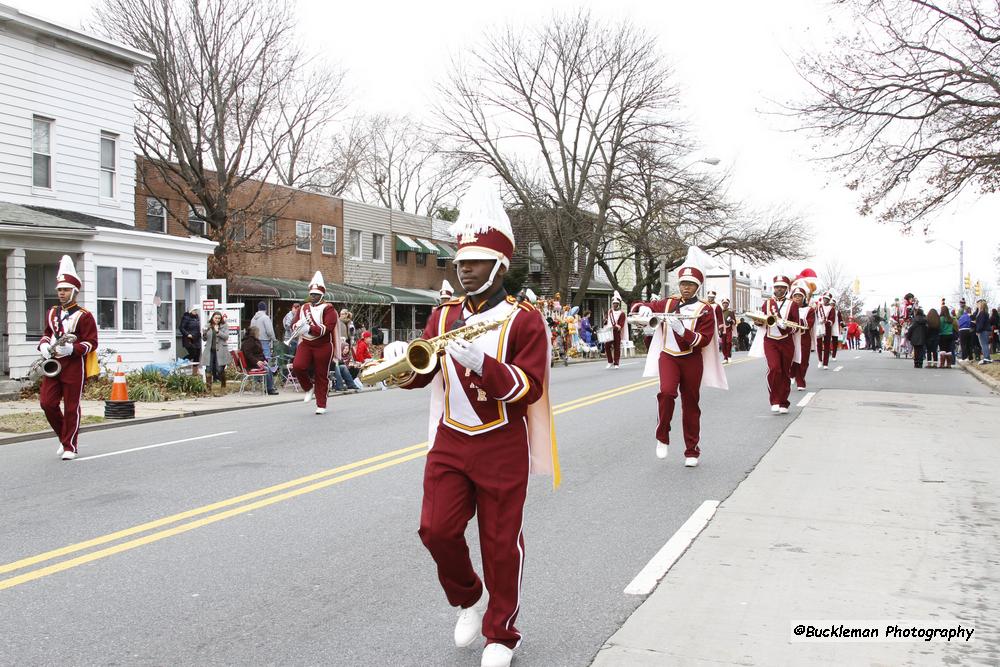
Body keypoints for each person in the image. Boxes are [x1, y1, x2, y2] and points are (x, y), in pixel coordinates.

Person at [392, 178, 558, 667]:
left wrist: (484, 364)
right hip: (451, 439)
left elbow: (530, 389)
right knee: (435, 530)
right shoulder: (442, 317)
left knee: (501, 544)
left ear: (500, 266)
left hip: (501, 443)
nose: (464, 270)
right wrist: (400, 360)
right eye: (460, 262)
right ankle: (468, 598)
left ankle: (503, 634)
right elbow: (419, 378)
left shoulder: (524, 321)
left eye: (475, 262)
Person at [629, 248, 727, 466]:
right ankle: (662, 436)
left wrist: (683, 331)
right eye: (683, 283)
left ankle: (692, 450)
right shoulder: (669, 303)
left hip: (691, 358)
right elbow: (640, 306)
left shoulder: (705, 310)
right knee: (666, 393)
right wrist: (642, 309)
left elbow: (704, 339)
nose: (685, 287)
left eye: (690, 284)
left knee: (691, 404)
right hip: (669, 356)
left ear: (697, 287)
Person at [37, 255, 98, 461]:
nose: (61, 294)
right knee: (47, 403)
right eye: (59, 290)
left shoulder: (84, 315)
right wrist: (44, 344)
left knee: (71, 406)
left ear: (74, 292)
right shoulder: (52, 312)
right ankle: (64, 437)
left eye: (65, 290)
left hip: (73, 365)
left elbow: (92, 343)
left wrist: (72, 349)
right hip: (54, 363)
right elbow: (47, 332)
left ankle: (70, 445)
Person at [291, 272, 340, 415]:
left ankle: (321, 404)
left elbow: (327, 328)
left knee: (321, 375)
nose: (313, 296)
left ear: (322, 295)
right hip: (306, 342)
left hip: (323, 345)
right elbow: (293, 324)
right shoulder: (303, 308)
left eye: (316, 294)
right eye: (311, 294)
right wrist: (297, 327)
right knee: (298, 366)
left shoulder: (329, 309)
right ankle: (308, 387)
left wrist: (309, 328)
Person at [750, 275, 800, 413]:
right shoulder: (767, 303)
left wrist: (786, 326)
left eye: (782, 287)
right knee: (774, 368)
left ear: (786, 289)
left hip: (786, 341)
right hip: (770, 340)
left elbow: (796, 326)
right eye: (777, 287)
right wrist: (758, 321)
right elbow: (761, 322)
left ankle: (784, 402)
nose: (779, 289)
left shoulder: (793, 305)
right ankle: (774, 400)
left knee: (785, 372)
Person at [789, 282, 816, 391]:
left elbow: (809, 324)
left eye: (799, 296)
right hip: (791, 337)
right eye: (795, 296)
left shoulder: (810, 310)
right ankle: (792, 375)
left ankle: (801, 380)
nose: (797, 298)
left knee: (803, 360)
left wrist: (796, 320)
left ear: (803, 298)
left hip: (804, 338)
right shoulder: (788, 308)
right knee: (792, 359)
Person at [241, 326, 279, 394]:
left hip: (257, 362)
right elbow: (248, 355)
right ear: (254, 333)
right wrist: (257, 361)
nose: (259, 334)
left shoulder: (255, 340)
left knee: (268, 368)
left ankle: (270, 387)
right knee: (267, 370)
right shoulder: (248, 342)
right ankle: (269, 389)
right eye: (258, 332)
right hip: (251, 364)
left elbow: (260, 353)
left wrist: (264, 360)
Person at [202, 311, 229, 389]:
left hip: (220, 350)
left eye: (219, 318)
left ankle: (223, 383)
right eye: (216, 318)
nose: (217, 320)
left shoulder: (224, 326)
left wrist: (218, 331)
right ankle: (208, 387)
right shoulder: (208, 325)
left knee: (219, 369)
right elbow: (204, 339)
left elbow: (226, 337)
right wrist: (204, 333)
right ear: (212, 318)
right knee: (208, 368)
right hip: (210, 350)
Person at [604, 292, 628, 369]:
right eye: (613, 303)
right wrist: (605, 321)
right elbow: (607, 320)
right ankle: (610, 361)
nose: (614, 305)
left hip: (616, 332)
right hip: (609, 331)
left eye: (616, 304)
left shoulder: (622, 314)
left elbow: (621, 325)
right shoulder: (609, 311)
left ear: (618, 304)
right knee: (607, 346)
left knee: (616, 347)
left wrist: (615, 327)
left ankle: (616, 363)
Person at [816, 292, 840, 369]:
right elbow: (815, 316)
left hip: (827, 328)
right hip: (819, 327)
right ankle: (820, 360)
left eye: (827, 299)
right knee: (819, 344)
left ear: (829, 300)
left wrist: (827, 322)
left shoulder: (831, 309)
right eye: (824, 298)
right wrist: (819, 321)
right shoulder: (818, 307)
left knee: (827, 345)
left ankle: (825, 363)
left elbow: (832, 319)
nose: (825, 300)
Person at [975, 300, 993, 364]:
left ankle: (986, 358)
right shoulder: (985, 313)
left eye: (979, 304)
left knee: (984, 345)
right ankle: (987, 358)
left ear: (981, 305)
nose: (978, 305)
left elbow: (981, 323)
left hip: (983, 331)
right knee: (985, 344)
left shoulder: (982, 313)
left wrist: (978, 330)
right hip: (986, 330)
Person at [719, 298, 736, 363]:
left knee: (728, 343)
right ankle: (725, 358)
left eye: (726, 303)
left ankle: (729, 356)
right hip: (722, 330)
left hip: (728, 329)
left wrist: (731, 320)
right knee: (723, 344)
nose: (725, 304)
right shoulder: (719, 311)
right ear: (722, 304)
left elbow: (734, 321)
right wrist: (719, 329)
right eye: (724, 303)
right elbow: (718, 321)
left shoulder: (730, 311)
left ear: (728, 304)